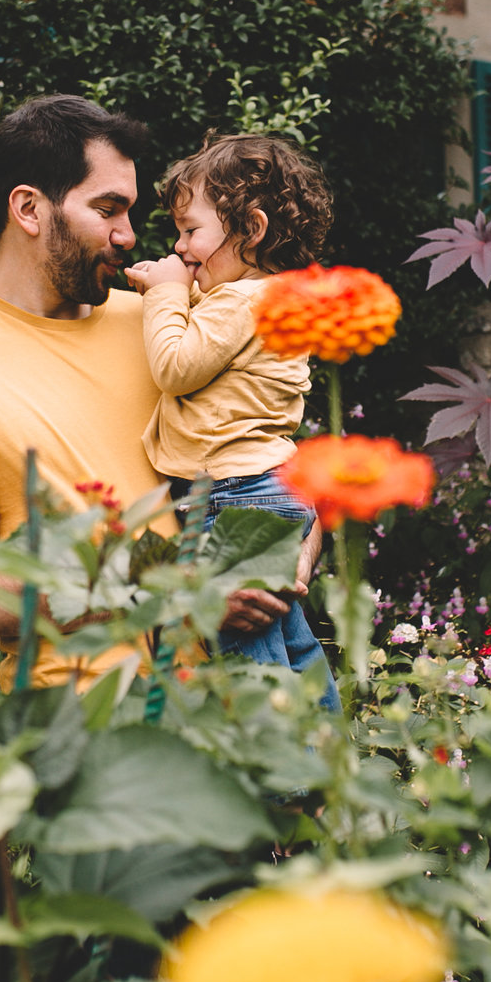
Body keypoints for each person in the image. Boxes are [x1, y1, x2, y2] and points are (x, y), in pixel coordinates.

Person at [0, 95, 312, 687]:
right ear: (29, 208)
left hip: (239, 717)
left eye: (130, 213)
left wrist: (281, 562)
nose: (130, 237)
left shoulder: (169, 325)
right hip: (86, 739)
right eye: (108, 209)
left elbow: (279, 467)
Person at [126, 134, 338, 707]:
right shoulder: (271, 300)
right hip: (272, 487)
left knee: (247, 659)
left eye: (191, 230)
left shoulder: (239, 302)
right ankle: (326, 754)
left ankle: (282, 785)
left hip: (234, 494)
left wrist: (166, 292)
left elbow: (175, 365)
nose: (179, 246)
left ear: (251, 229)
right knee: (289, 641)